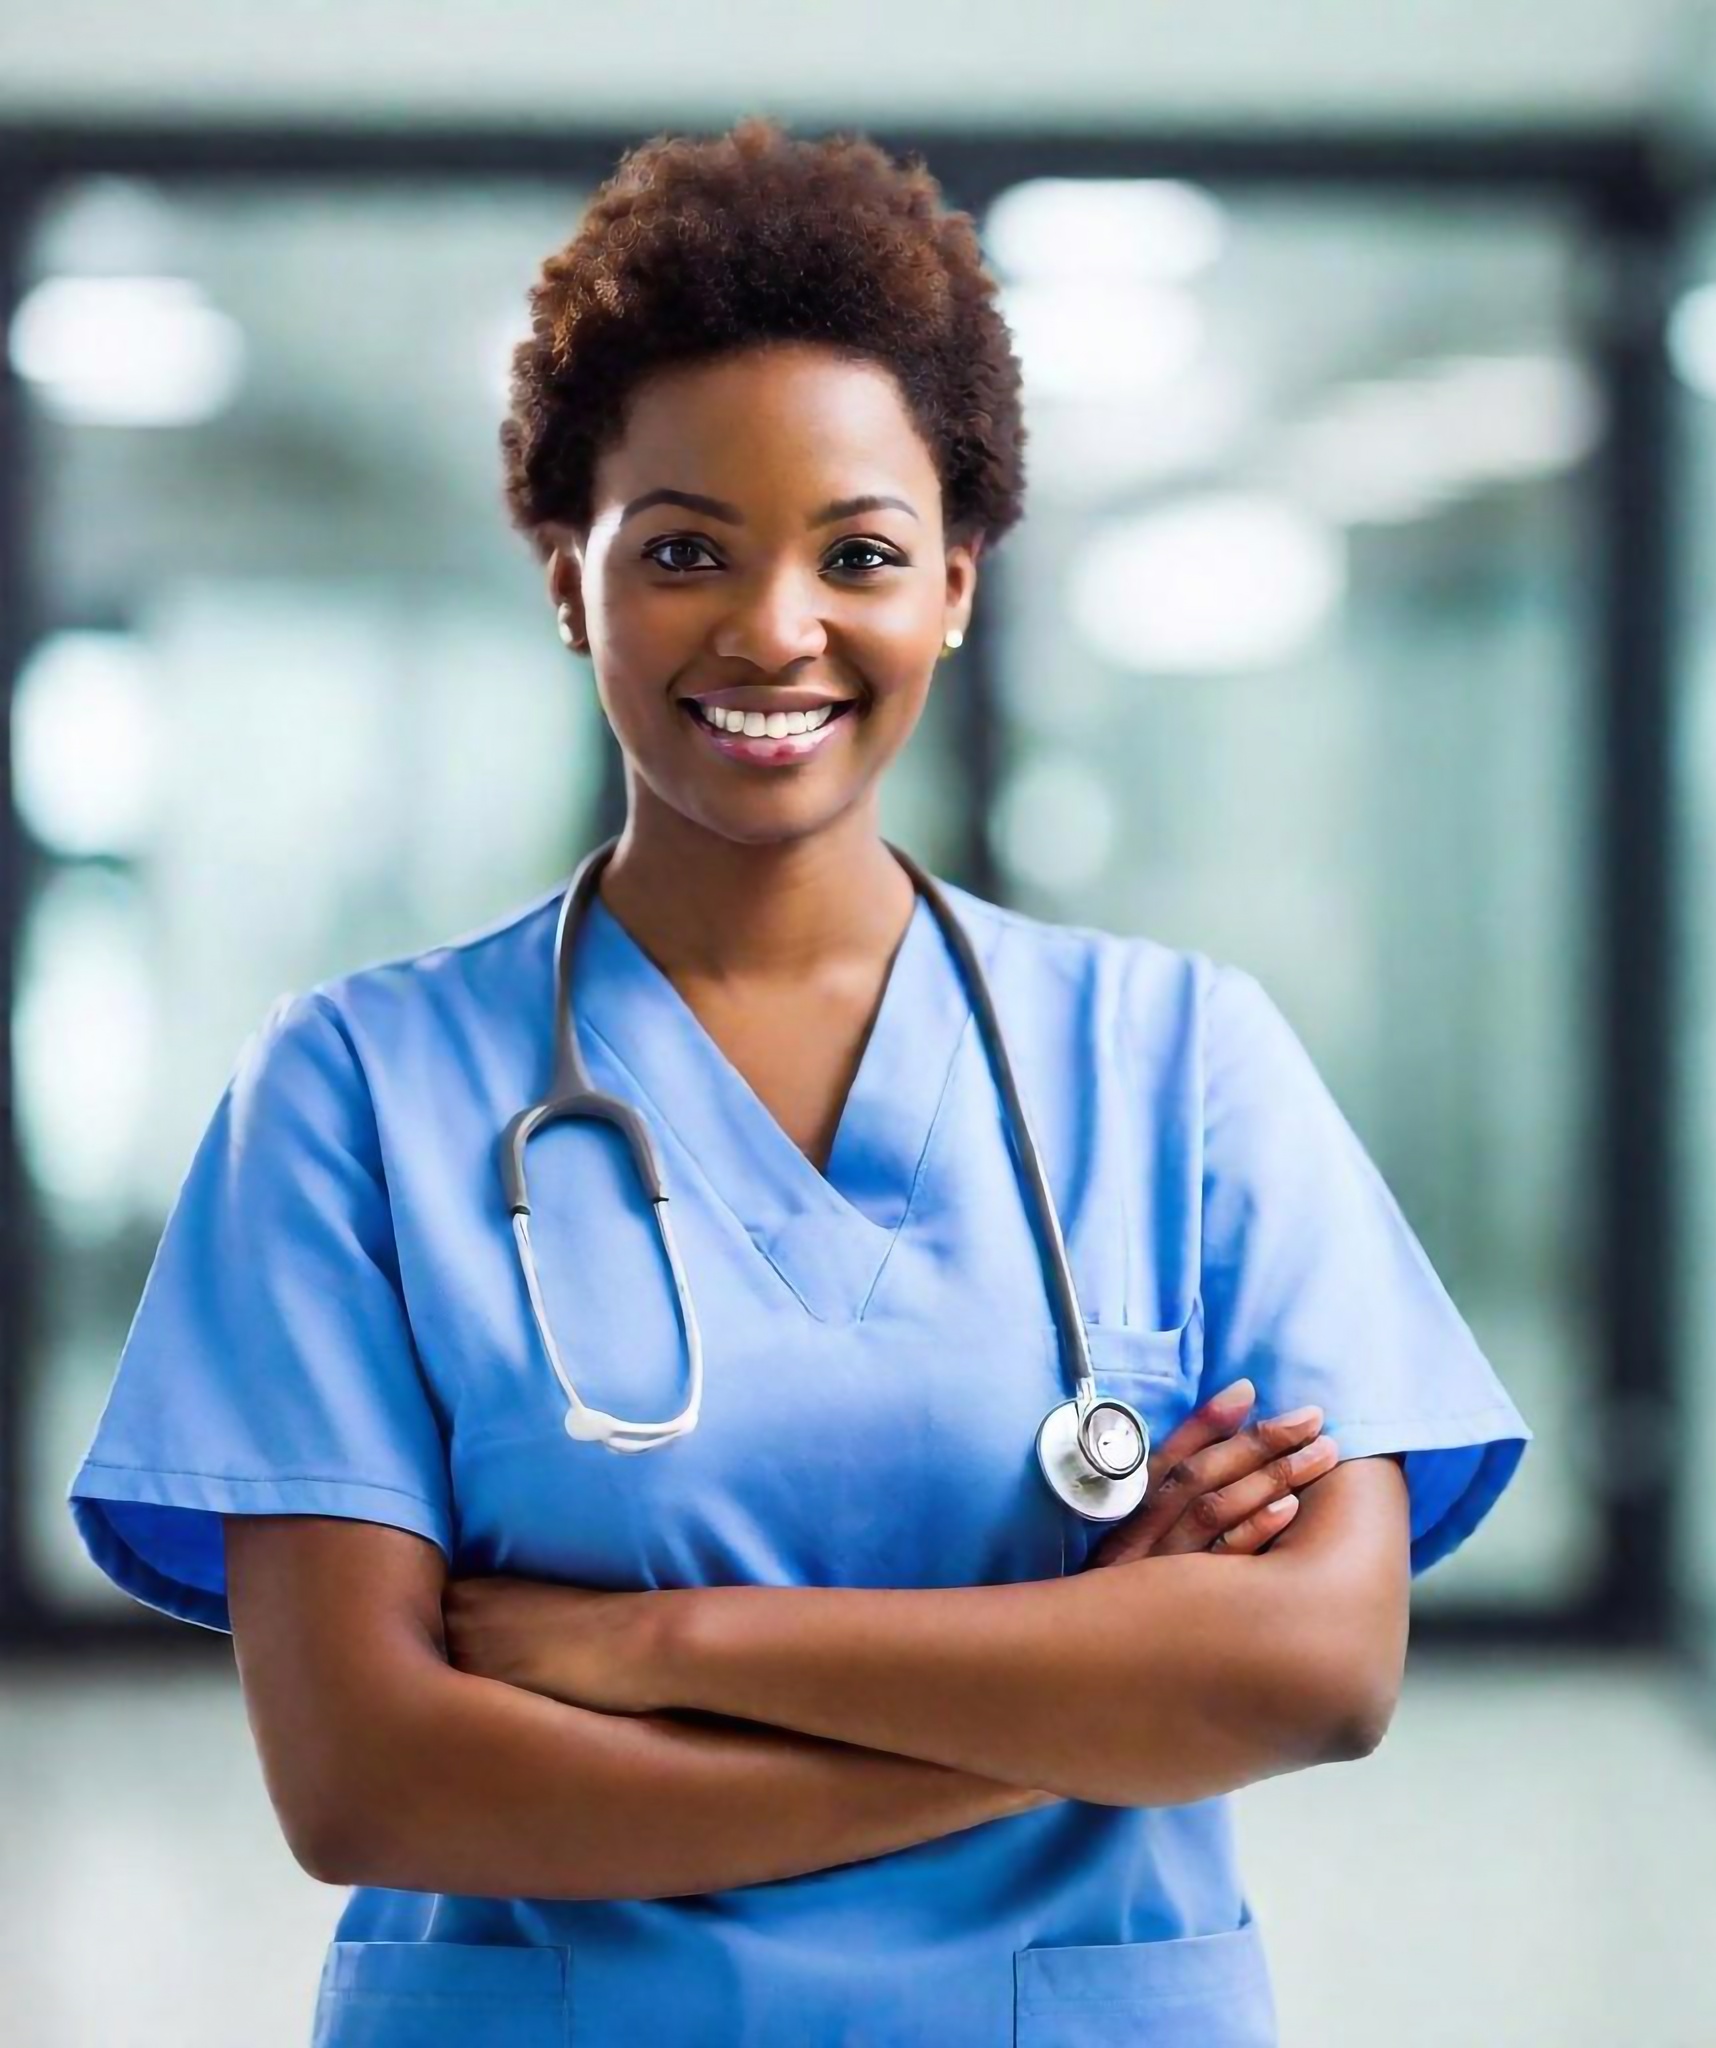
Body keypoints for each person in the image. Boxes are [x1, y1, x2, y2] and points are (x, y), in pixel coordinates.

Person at [67, 114, 1532, 2046]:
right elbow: (374, 1783)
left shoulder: (1179, 1059)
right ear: (567, 576)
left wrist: (651, 1646)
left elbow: (1323, 1667)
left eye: (861, 552)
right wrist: (1081, 1713)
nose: (777, 630)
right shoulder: (351, 1093)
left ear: (959, 582)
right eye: (684, 549)